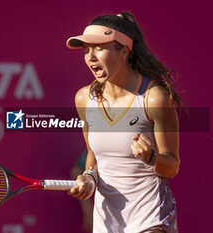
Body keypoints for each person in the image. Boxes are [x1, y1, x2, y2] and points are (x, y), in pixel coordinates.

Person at [66, 12, 182, 233]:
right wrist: (89, 178)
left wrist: (151, 158)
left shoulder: (154, 97)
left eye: (99, 48)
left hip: (151, 221)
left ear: (124, 51)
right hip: (106, 225)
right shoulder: (83, 98)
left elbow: (172, 166)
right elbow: (93, 157)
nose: (90, 57)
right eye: (86, 50)